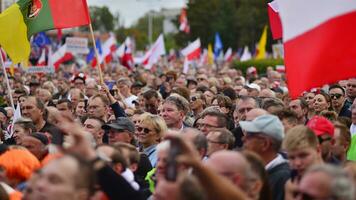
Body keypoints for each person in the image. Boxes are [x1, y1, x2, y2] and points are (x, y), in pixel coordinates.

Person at [240, 114, 290, 200]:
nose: (243, 139)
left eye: (249, 136)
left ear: (265, 144)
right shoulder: (256, 170)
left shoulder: (283, 178)